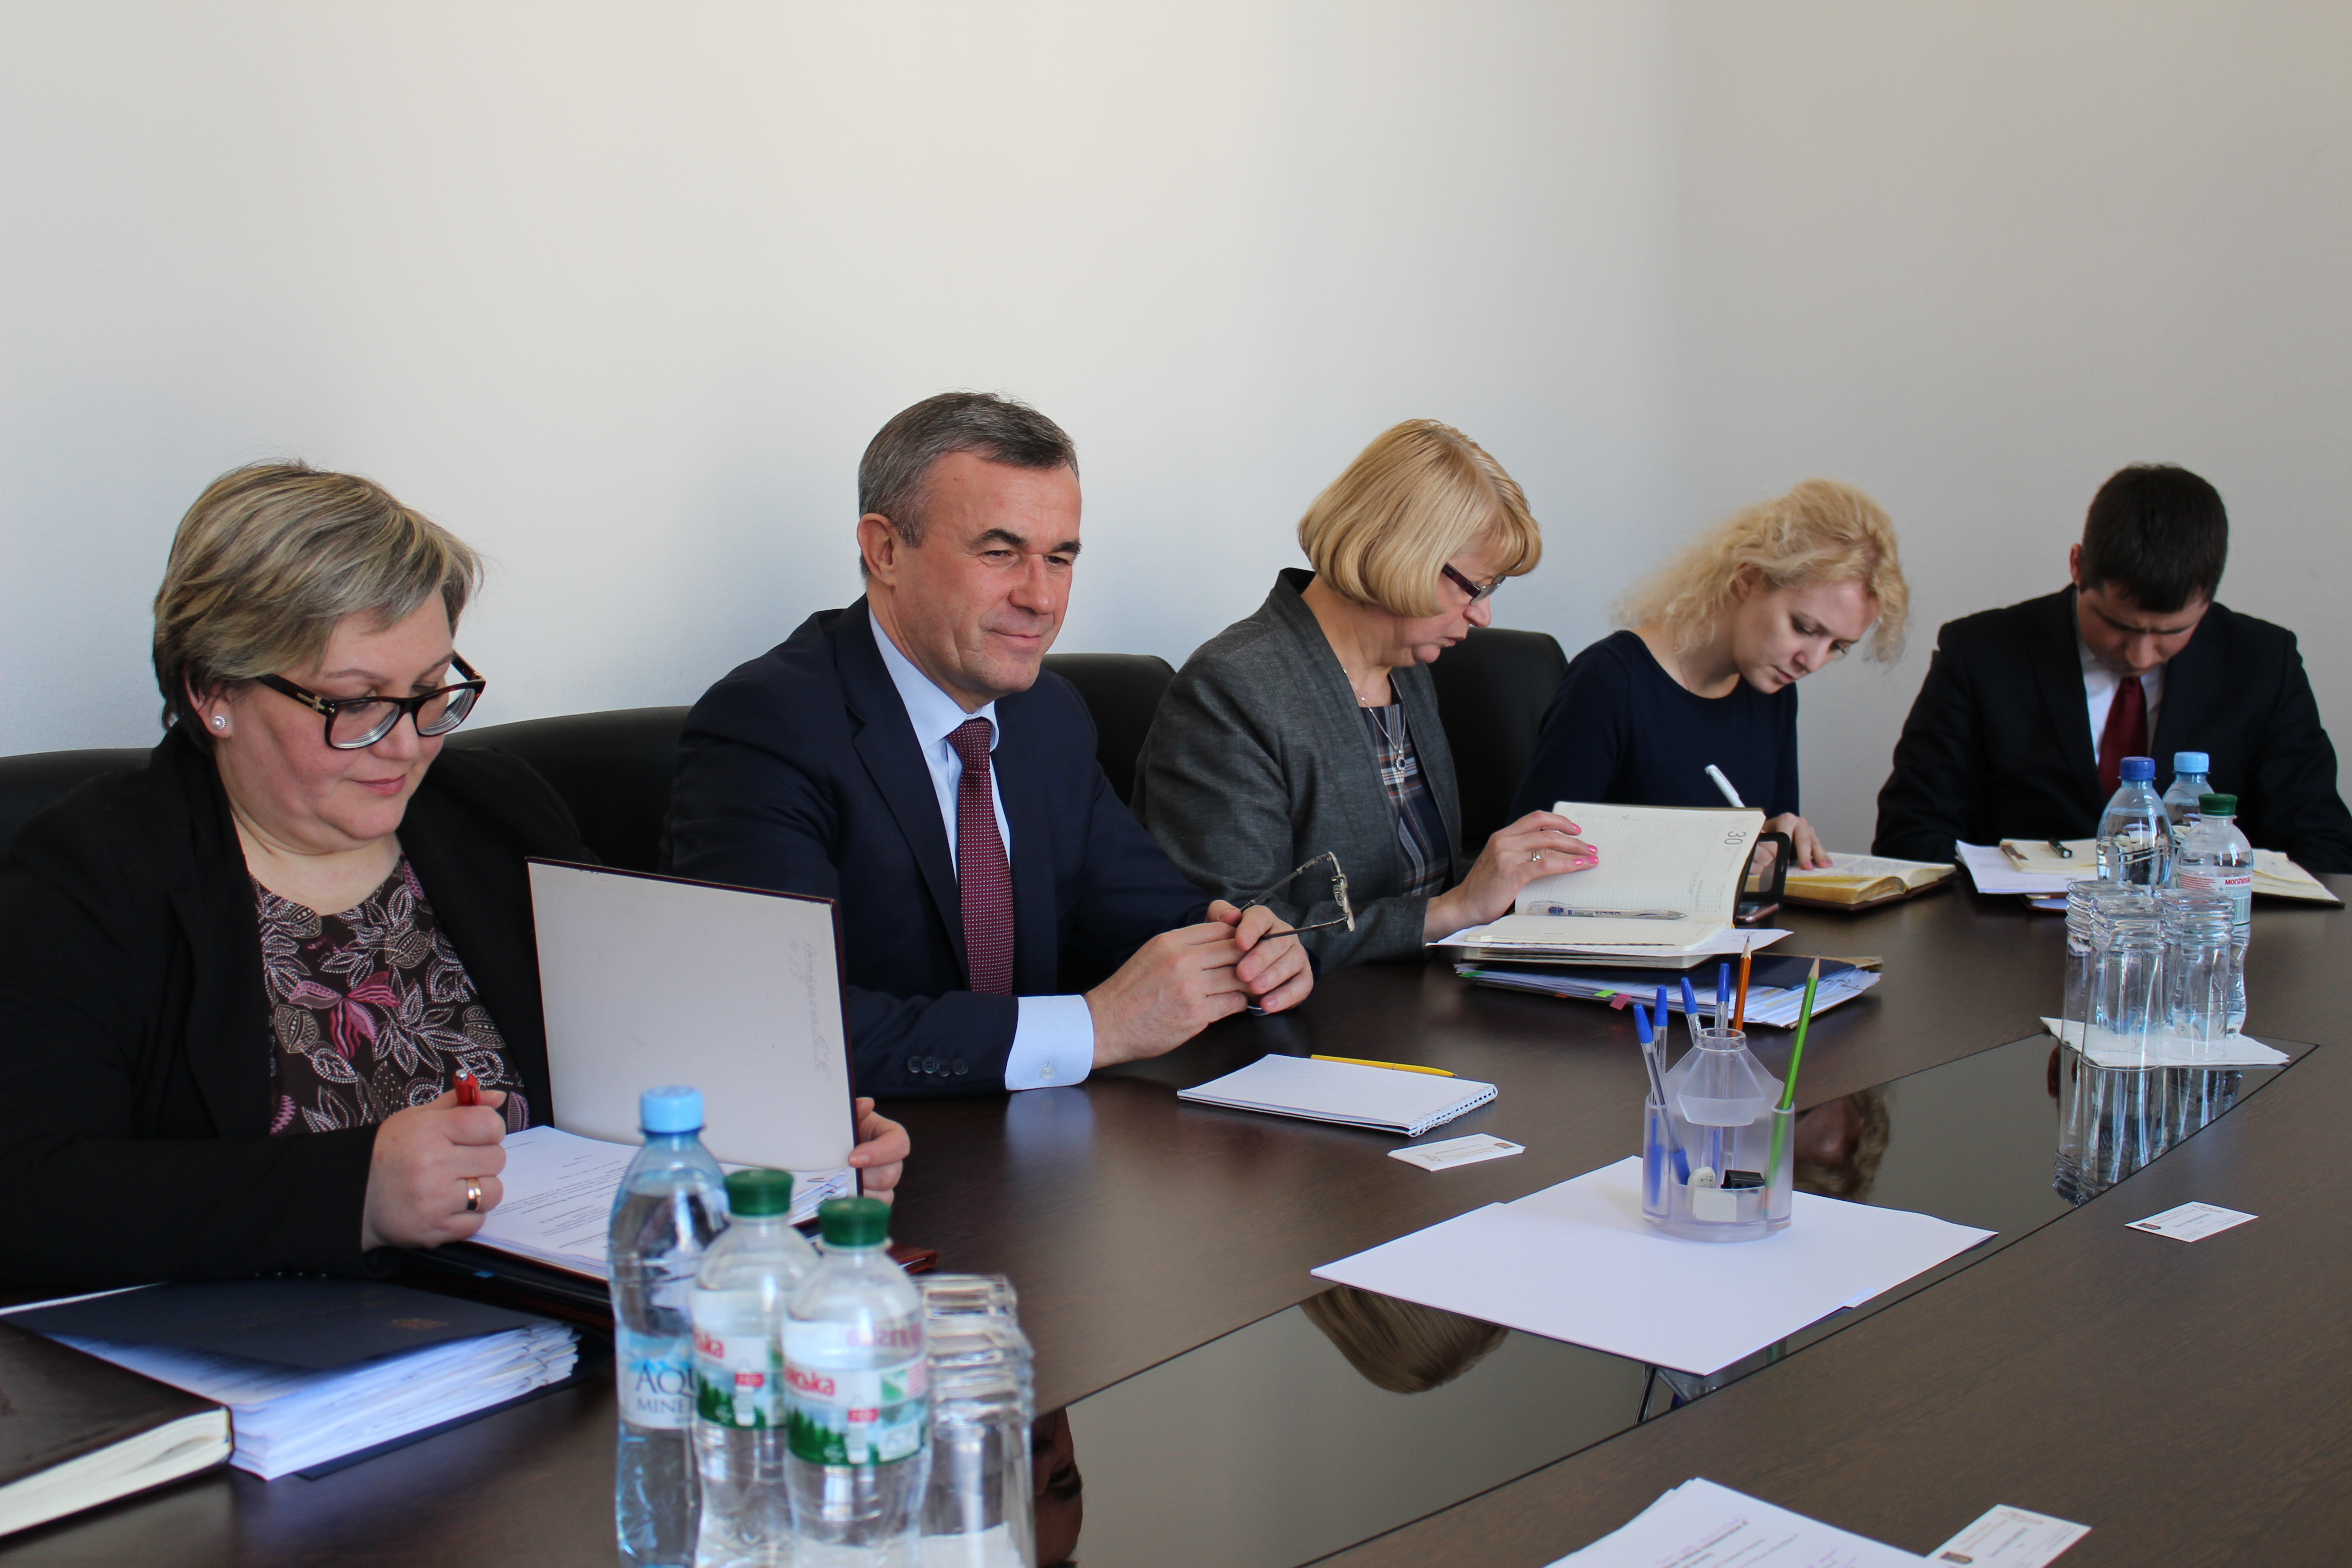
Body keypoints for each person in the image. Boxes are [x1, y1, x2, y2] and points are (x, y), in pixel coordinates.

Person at [0, 463, 908, 1290]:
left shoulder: (491, 814)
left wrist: (792, 1134)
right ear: (214, 692)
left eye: (432, 691)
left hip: (547, 1331)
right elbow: (30, 1190)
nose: (404, 744)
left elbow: (635, 1051)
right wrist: (353, 1194)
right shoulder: (92, 877)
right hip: (277, 1366)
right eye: (355, 703)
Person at [663, 392, 1313, 1095]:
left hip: (1046, 1138)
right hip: (880, 1144)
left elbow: (1154, 919)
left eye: (1059, 559)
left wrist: (1247, 954)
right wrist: (1093, 1029)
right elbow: (780, 1020)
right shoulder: (767, 726)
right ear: (885, 550)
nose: (1042, 598)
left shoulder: (1048, 714)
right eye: (1000, 553)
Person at [1131, 420, 1592, 964]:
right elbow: (1235, 938)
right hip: (1314, 1015)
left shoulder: (1407, 671)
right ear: (1398, 554)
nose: (1483, 615)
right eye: (1475, 587)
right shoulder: (1230, 688)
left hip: (1421, 994)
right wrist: (1453, 910)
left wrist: (1522, 877)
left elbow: (1417, 884)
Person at [1873, 465, 2352, 871]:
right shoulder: (1981, 653)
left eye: (2171, 632)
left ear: (2207, 601)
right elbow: (1913, 833)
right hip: (2010, 938)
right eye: (2118, 625)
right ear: (2078, 566)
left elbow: (2321, 842)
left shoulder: (2263, 663)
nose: (2139, 656)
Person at [1509, 479, 1908, 869]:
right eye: (1803, 628)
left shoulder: (1775, 690)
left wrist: (1777, 840)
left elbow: (1763, 857)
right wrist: (1707, 854)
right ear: (1748, 579)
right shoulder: (1610, 680)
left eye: (1838, 647)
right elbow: (1531, 858)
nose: (1813, 662)